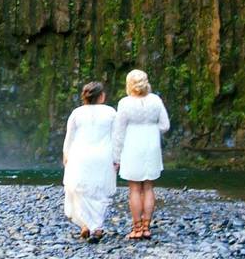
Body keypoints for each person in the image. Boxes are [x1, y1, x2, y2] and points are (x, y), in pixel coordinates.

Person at [112, 69, 170, 240]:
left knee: (135, 188)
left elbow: (118, 132)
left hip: (132, 146)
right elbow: (165, 125)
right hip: (151, 146)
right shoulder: (155, 100)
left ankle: (136, 228)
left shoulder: (125, 103)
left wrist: (116, 157)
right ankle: (146, 227)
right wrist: (152, 130)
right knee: (149, 187)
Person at [62, 81, 117, 241]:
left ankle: (85, 224)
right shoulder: (110, 112)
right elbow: (116, 137)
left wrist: (66, 153)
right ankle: (97, 228)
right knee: (99, 191)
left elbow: (69, 136)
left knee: (79, 190)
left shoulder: (77, 113)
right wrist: (117, 158)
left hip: (80, 155)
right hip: (102, 156)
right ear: (100, 96)